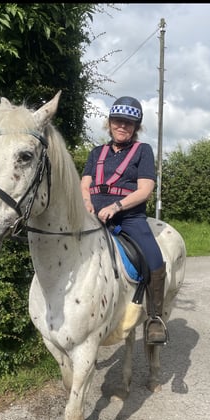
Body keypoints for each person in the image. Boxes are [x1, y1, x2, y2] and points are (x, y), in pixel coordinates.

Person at [80, 96, 168, 344]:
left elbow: (144, 190)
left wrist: (116, 206)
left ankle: (154, 319)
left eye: (129, 123)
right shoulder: (97, 152)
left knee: (154, 259)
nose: (122, 126)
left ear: (136, 127)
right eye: (118, 121)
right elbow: (85, 184)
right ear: (109, 123)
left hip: (130, 218)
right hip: (93, 218)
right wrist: (86, 201)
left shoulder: (143, 151)